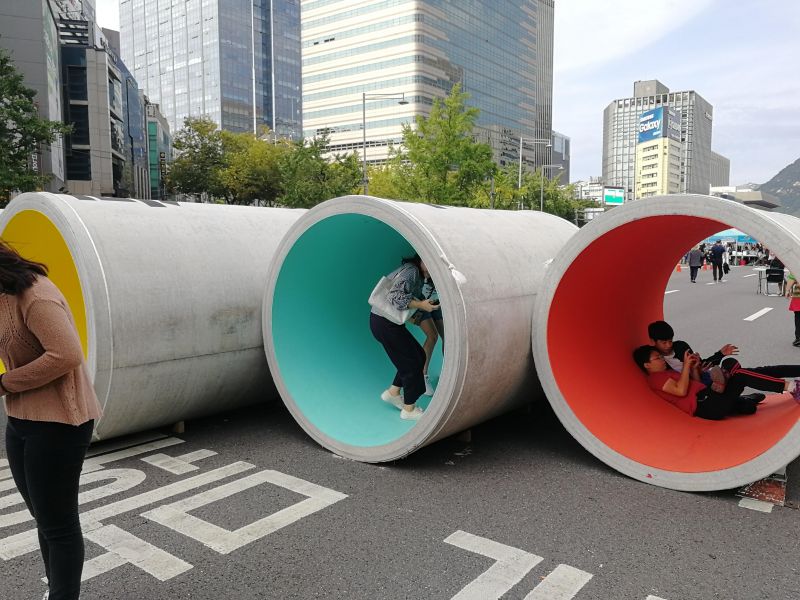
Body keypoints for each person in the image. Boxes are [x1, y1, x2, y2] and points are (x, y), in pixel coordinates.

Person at [0, 241, 103, 600]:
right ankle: (58, 589)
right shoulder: (2, 296)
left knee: (58, 525)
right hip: (20, 419)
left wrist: (5, 383)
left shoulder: (35, 295)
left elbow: (66, 354)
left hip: (60, 422)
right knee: (44, 518)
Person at [633, 345, 800, 420]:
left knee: (748, 405)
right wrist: (685, 367)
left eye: (661, 357)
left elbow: (696, 384)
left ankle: (732, 389)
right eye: (657, 358)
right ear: (647, 365)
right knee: (741, 375)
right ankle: (792, 387)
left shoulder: (667, 372)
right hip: (707, 406)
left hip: (708, 397)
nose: (662, 359)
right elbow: (680, 391)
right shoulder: (655, 378)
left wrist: (694, 369)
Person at [370, 254, 438, 420]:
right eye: (428, 262)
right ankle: (409, 409)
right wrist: (421, 305)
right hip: (385, 323)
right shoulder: (412, 271)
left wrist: (424, 305)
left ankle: (393, 393)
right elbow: (394, 296)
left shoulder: (417, 274)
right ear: (420, 259)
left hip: (385, 322)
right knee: (411, 365)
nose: (431, 267)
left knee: (419, 356)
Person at [647, 320, 763, 402]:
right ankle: (740, 398)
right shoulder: (656, 360)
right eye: (664, 343)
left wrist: (720, 354)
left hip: (703, 376)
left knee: (732, 366)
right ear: (653, 341)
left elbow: (702, 364)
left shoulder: (680, 347)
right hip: (692, 387)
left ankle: (728, 390)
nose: (668, 345)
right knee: (746, 406)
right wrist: (692, 369)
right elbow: (676, 384)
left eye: (670, 341)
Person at [411, 277, 444, 396]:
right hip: (420, 302)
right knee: (432, 336)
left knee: (448, 337)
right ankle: (422, 376)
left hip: (437, 301)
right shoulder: (416, 271)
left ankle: (447, 370)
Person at [786, 272, 800, 347]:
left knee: (798, 316)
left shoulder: (797, 265)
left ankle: (799, 338)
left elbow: (792, 277)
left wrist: (787, 290)